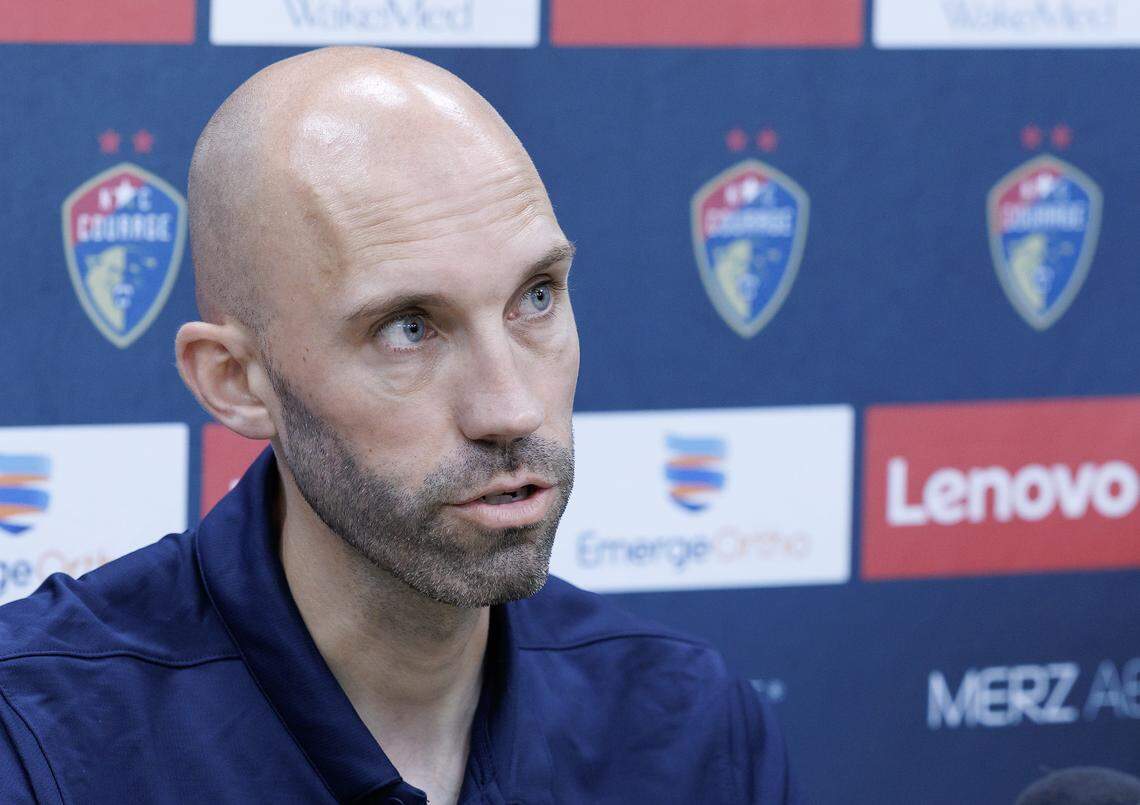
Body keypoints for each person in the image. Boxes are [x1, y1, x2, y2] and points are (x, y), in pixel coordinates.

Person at [0, 47, 795, 804]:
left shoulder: (692, 729)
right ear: (236, 381)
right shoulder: (39, 744)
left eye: (536, 297)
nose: (511, 408)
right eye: (409, 328)